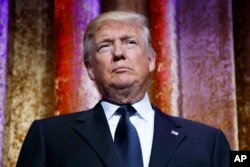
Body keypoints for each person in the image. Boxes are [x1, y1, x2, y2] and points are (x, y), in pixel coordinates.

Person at [17, 11, 230, 167]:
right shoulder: (48, 137)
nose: (118, 53)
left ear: (151, 60)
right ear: (90, 69)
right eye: (105, 46)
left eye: (129, 42)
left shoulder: (207, 142)